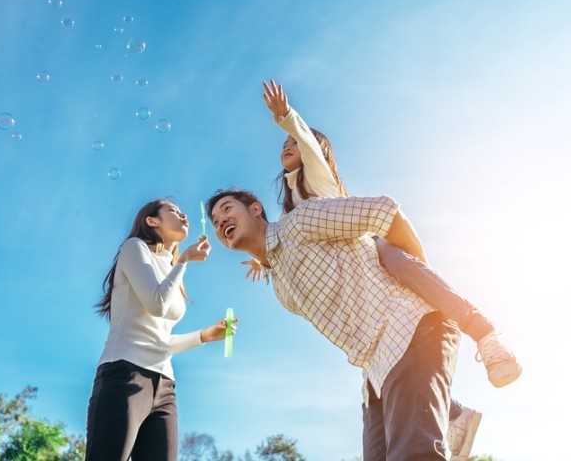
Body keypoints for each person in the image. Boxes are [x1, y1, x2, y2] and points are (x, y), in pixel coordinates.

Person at [252, 80, 521, 459]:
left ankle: (484, 333)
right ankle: (455, 412)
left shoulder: (318, 178)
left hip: (372, 248)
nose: (287, 147)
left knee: (401, 265)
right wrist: (264, 259)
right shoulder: (291, 208)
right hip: (365, 288)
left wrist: (287, 119)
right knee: (399, 370)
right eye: (286, 143)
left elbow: (311, 150)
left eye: (293, 143)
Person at [208, 189, 457, 460]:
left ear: (255, 209)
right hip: (374, 374)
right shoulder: (281, 290)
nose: (220, 221)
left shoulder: (299, 221)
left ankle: (454, 413)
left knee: (415, 455)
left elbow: (385, 211)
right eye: (214, 221)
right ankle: (455, 415)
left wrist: (423, 283)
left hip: (410, 328)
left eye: (226, 209)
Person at [86, 199, 237, 461]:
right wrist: (184, 259)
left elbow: (160, 342)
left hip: (165, 386)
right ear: (152, 221)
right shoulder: (134, 248)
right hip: (124, 375)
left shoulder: (170, 270)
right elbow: (156, 304)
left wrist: (204, 336)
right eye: (173, 211)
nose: (183, 214)